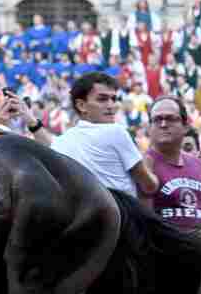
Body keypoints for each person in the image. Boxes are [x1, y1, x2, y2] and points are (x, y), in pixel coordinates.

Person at [50, 72, 158, 202]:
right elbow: (149, 185)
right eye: (102, 99)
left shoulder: (60, 142)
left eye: (114, 99)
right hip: (123, 219)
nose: (111, 106)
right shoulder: (116, 132)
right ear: (81, 105)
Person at [143, 96, 201, 229]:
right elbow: (144, 224)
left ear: (185, 126)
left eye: (170, 118)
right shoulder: (143, 166)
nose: (163, 124)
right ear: (149, 127)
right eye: (157, 119)